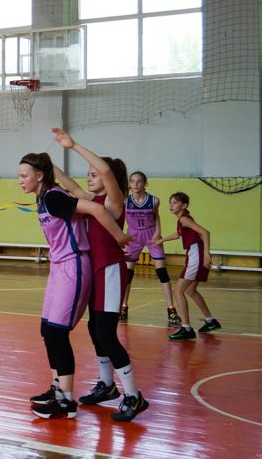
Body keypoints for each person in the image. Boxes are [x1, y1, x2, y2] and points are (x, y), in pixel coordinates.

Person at [18, 149, 129, 420]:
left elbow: (95, 207)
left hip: (74, 266)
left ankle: (66, 402)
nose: (20, 180)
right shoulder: (45, 197)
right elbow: (75, 187)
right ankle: (58, 388)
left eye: (24, 176)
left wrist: (120, 237)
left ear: (39, 176)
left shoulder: (54, 197)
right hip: (59, 267)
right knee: (47, 329)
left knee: (57, 332)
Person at [50, 128, 149, 422]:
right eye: (89, 174)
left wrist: (73, 145)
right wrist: (46, 165)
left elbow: (106, 169)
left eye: (93, 174)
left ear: (108, 179)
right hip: (93, 272)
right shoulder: (93, 203)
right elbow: (67, 183)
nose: (89, 177)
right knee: (95, 331)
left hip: (109, 272)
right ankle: (107, 386)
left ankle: (133, 395)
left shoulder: (113, 201)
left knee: (106, 333)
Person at [154, 192, 220, 341]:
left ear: (184, 206)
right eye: (170, 202)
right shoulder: (183, 220)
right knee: (191, 290)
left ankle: (186, 328)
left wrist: (206, 254)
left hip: (196, 257)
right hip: (196, 256)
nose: (171, 205)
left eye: (175, 203)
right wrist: (162, 240)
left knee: (178, 292)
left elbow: (205, 232)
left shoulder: (184, 219)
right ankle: (210, 321)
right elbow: (179, 235)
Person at [121, 171, 179, 326]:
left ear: (144, 183)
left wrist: (158, 232)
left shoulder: (154, 200)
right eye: (132, 181)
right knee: (127, 274)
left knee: (162, 272)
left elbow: (156, 215)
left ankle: (171, 308)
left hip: (151, 234)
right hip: (133, 235)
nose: (135, 184)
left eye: (139, 181)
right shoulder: (125, 201)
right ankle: (124, 307)